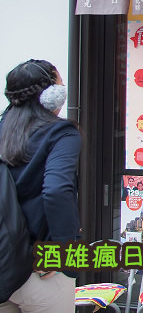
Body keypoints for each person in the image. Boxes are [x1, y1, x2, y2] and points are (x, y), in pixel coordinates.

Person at [0, 59, 81, 313]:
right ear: (49, 94)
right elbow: (56, 190)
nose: (64, 88)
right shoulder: (61, 133)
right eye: (60, 83)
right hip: (40, 269)